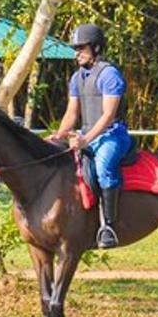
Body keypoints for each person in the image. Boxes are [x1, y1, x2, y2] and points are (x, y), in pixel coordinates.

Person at [47, 23, 131, 249]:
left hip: (113, 135)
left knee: (104, 167)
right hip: (87, 134)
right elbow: (72, 112)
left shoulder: (109, 74)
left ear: (95, 47)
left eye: (81, 48)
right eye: (75, 49)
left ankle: (109, 227)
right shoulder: (77, 78)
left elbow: (108, 115)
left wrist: (86, 140)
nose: (77, 54)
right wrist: (59, 134)